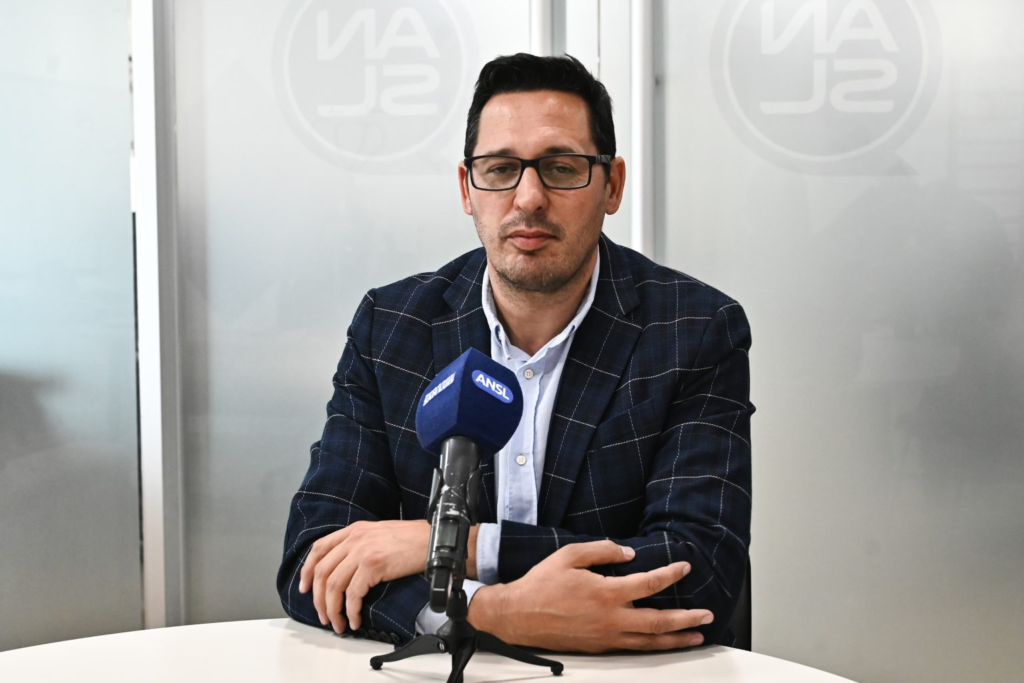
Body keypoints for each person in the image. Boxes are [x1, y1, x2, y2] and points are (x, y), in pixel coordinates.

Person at [277, 53, 753, 654]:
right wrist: (492, 614)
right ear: (466, 188)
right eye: (501, 169)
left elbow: (701, 569)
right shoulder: (392, 327)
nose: (529, 198)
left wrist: (456, 547)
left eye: (561, 168)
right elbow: (314, 563)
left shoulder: (694, 329)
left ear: (612, 185)